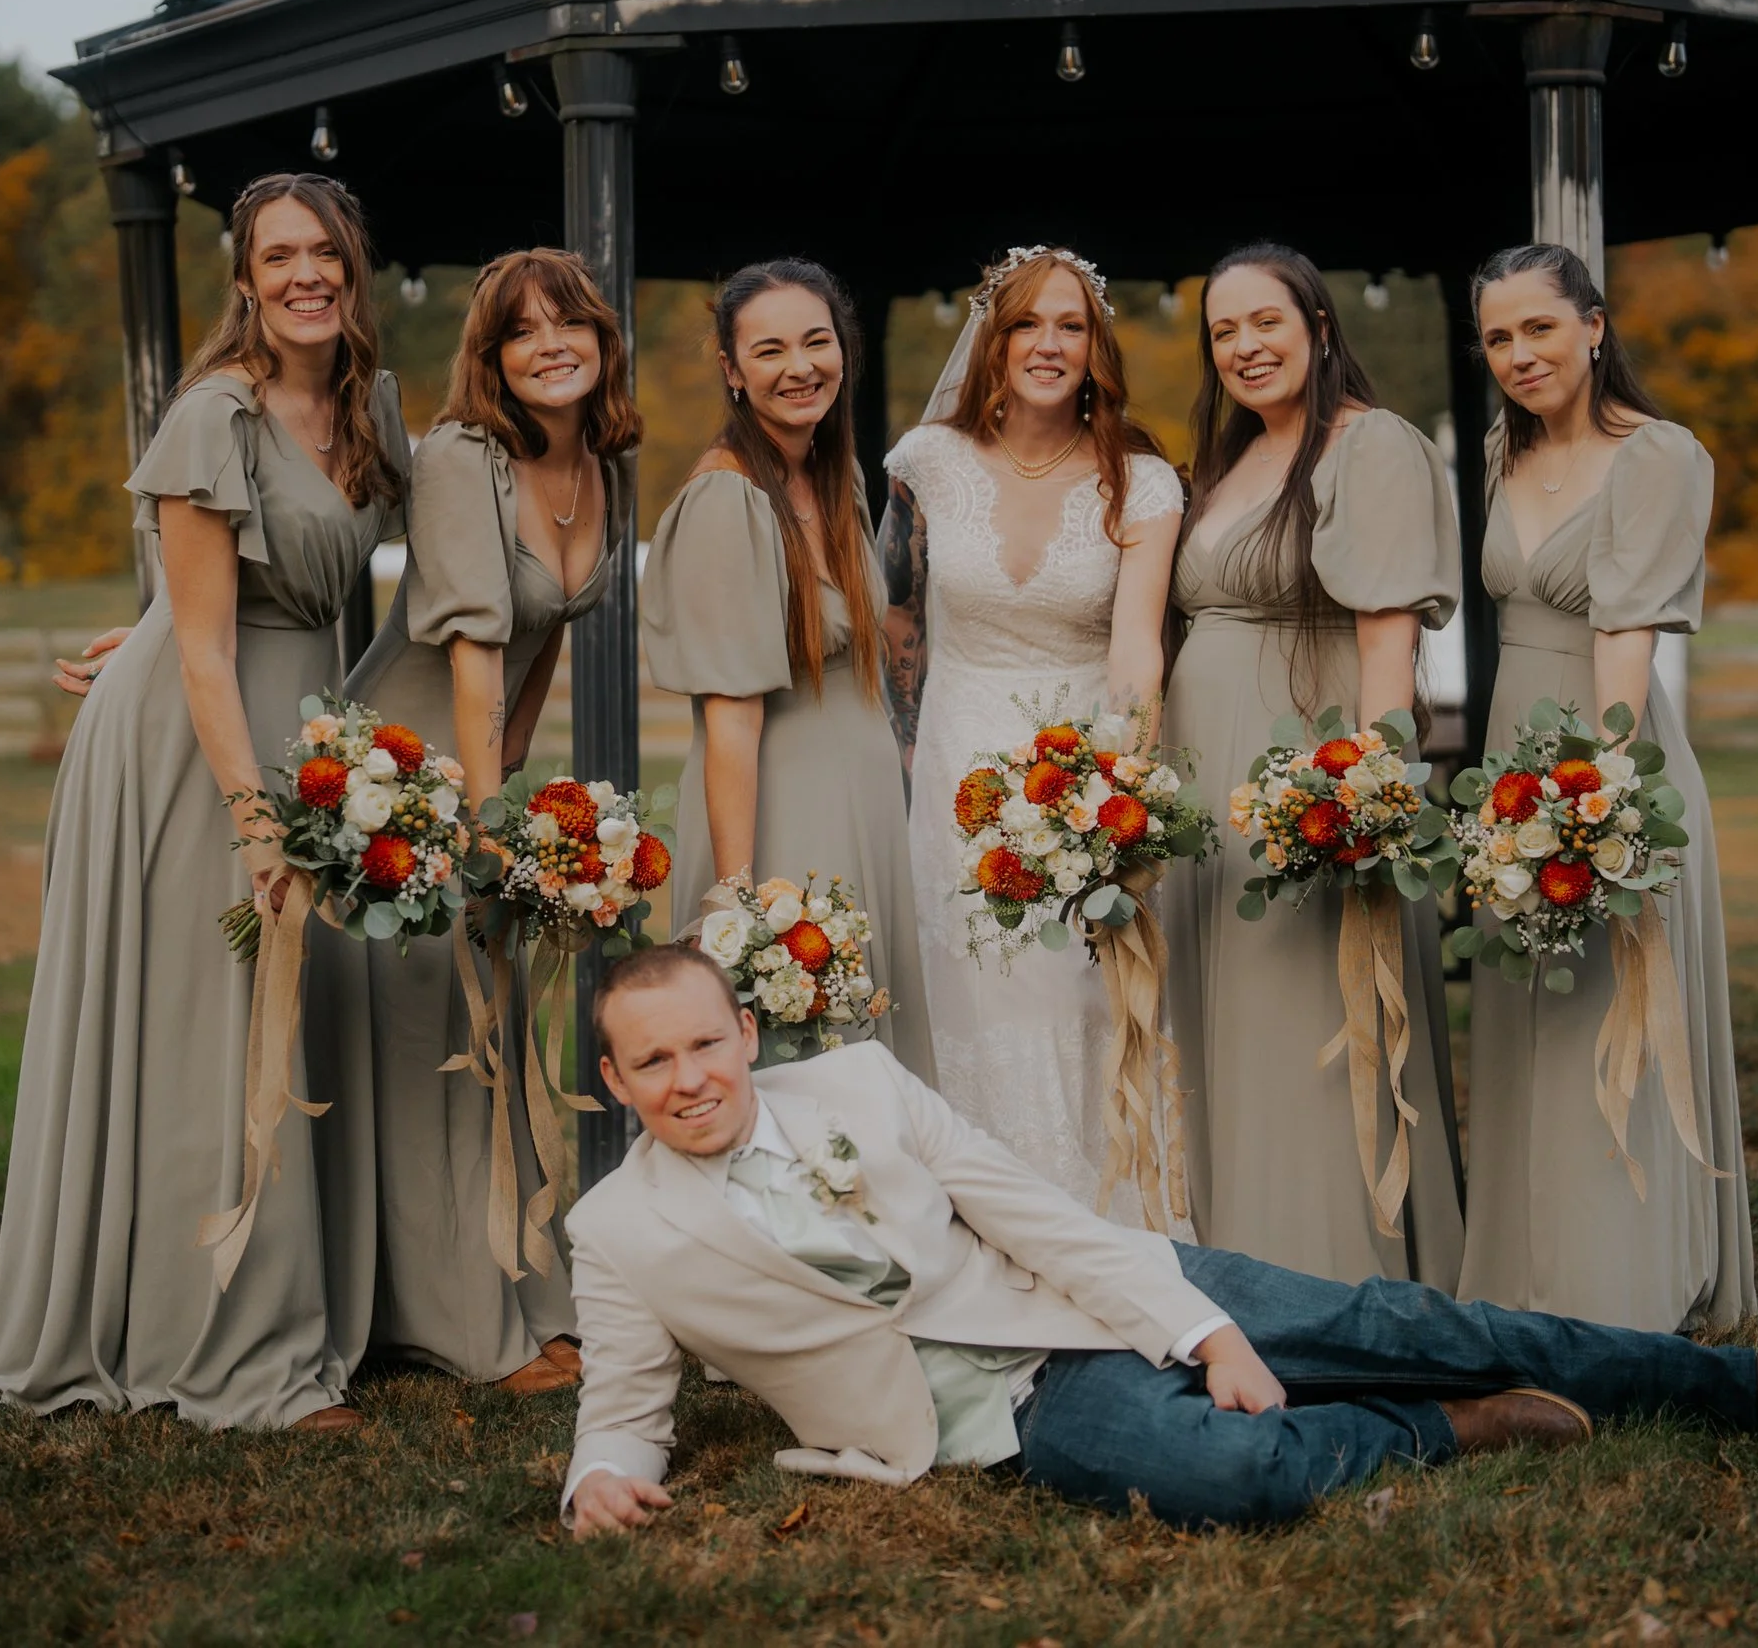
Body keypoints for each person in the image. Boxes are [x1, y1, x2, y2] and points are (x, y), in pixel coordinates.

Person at [557, 944, 1758, 1535]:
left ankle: (1745, 1385)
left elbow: (1036, 1214)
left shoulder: (856, 1082)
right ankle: (1439, 1427)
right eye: (652, 1060)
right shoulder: (617, 1228)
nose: (688, 1078)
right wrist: (600, 1478)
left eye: (705, 1042)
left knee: (1397, 1320)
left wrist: (1200, 1325)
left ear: (746, 1035)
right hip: (1001, 1421)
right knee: (1234, 1479)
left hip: (1103, 1297)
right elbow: (622, 1401)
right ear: (617, 1081)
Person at [0, 174, 409, 1431]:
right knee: (217, 1025)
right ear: (245, 279)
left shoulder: (370, 405)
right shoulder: (215, 410)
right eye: (280, 256)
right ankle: (232, 1351)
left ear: (353, 268)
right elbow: (208, 649)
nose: (305, 274)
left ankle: (301, 1302)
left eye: (326, 249)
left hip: (298, 714)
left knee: (282, 1013)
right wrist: (255, 817)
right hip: (194, 743)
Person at [331, 248, 637, 1395]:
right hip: (401, 778)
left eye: (572, 324)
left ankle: (525, 1292)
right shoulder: (466, 459)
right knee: (438, 1040)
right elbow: (470, 653)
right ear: (492, 356)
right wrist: (477, 823)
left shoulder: (596, 461)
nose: (551, 344)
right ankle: (463, 1322)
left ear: (602, 342)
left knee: (495, 1039)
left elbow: (541, 638)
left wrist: (518, 782)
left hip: (481, 769)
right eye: (524, 330)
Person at [1456, 243, 1756, 1333]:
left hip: (1603, 753)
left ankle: (1619, 1285)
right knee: (1524, 1013)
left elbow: (1623, 636)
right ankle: (1518, 1275)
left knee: (1609, 1008)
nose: (1519, 354)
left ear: (1592, 325)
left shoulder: (1658, 455)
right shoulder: (1501, 451)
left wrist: (1597, 798)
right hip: (1509, 758)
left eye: (1539, 327)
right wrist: (1511, 802)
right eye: (1497, 336)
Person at [1162, 243, 1466, 1287]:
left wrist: (1367, 792)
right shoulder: (1233, 457)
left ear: (1320, 327)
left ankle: (1329, 1271)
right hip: (1206, 772)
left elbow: (1387, 640)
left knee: (1306, 1011)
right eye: (1223, 330)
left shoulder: (1367, 446)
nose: (1244, 346)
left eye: (1266, 323)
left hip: (1305, 763)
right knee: (1229, 1023)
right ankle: (1231, 1257)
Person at [880, 246, 1183, 1223]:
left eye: (1071, 324)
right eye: (1026, 324)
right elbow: (896, 621)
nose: (1047, 344)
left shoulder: (1140, 483)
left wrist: (1115, 797)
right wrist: (904, 756)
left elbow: (1138, 650)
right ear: (992, 340)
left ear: (1096, 346)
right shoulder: (924, 463)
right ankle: (983, 1229)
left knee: (1076, 998)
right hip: (955, 772)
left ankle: (1100, 1222)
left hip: (1080, 776)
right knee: (974, 999)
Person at [638, 258, 933, 1079]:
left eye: (816, 342)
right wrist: (738, 904)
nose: (799, 367)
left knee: (866, 1071)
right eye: (768, 351)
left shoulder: (831, 480)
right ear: (732, 371)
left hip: (862, 807)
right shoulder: (729, 500)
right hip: (785, 820)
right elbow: (732, 718)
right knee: (803, 1069)